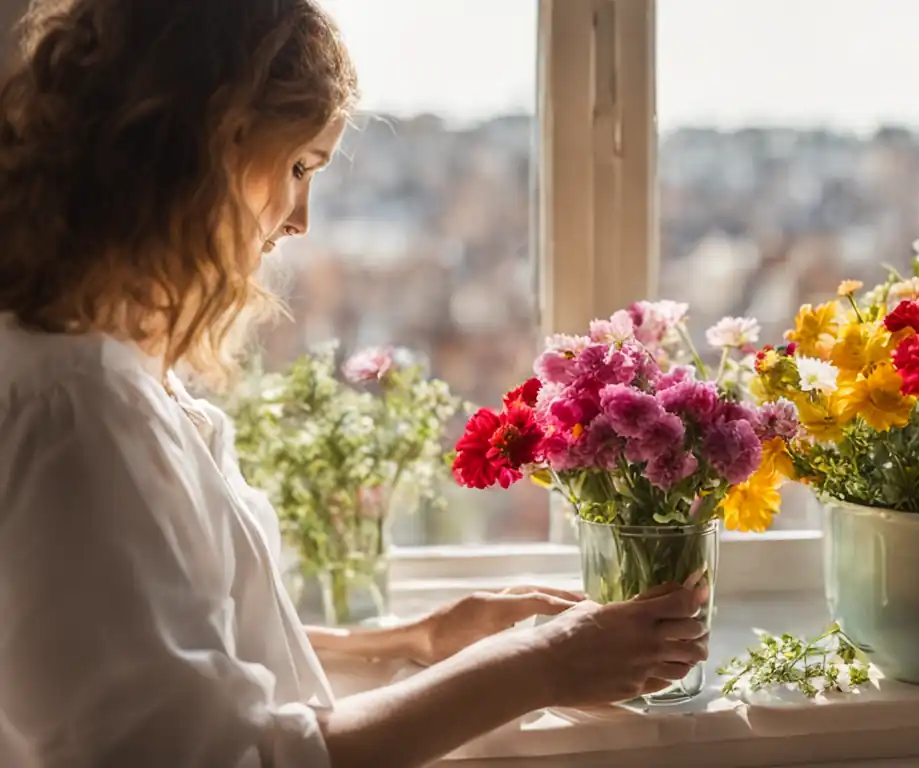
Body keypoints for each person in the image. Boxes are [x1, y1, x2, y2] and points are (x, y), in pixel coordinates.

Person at [0, 2, 709, 767]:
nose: (301, 218)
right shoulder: (79, 412)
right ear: (205, 141)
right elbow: (220, 753)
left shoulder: (110, 376)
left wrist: (420, 640)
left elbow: (186, 664)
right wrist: (539, 669)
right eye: (300, 165)